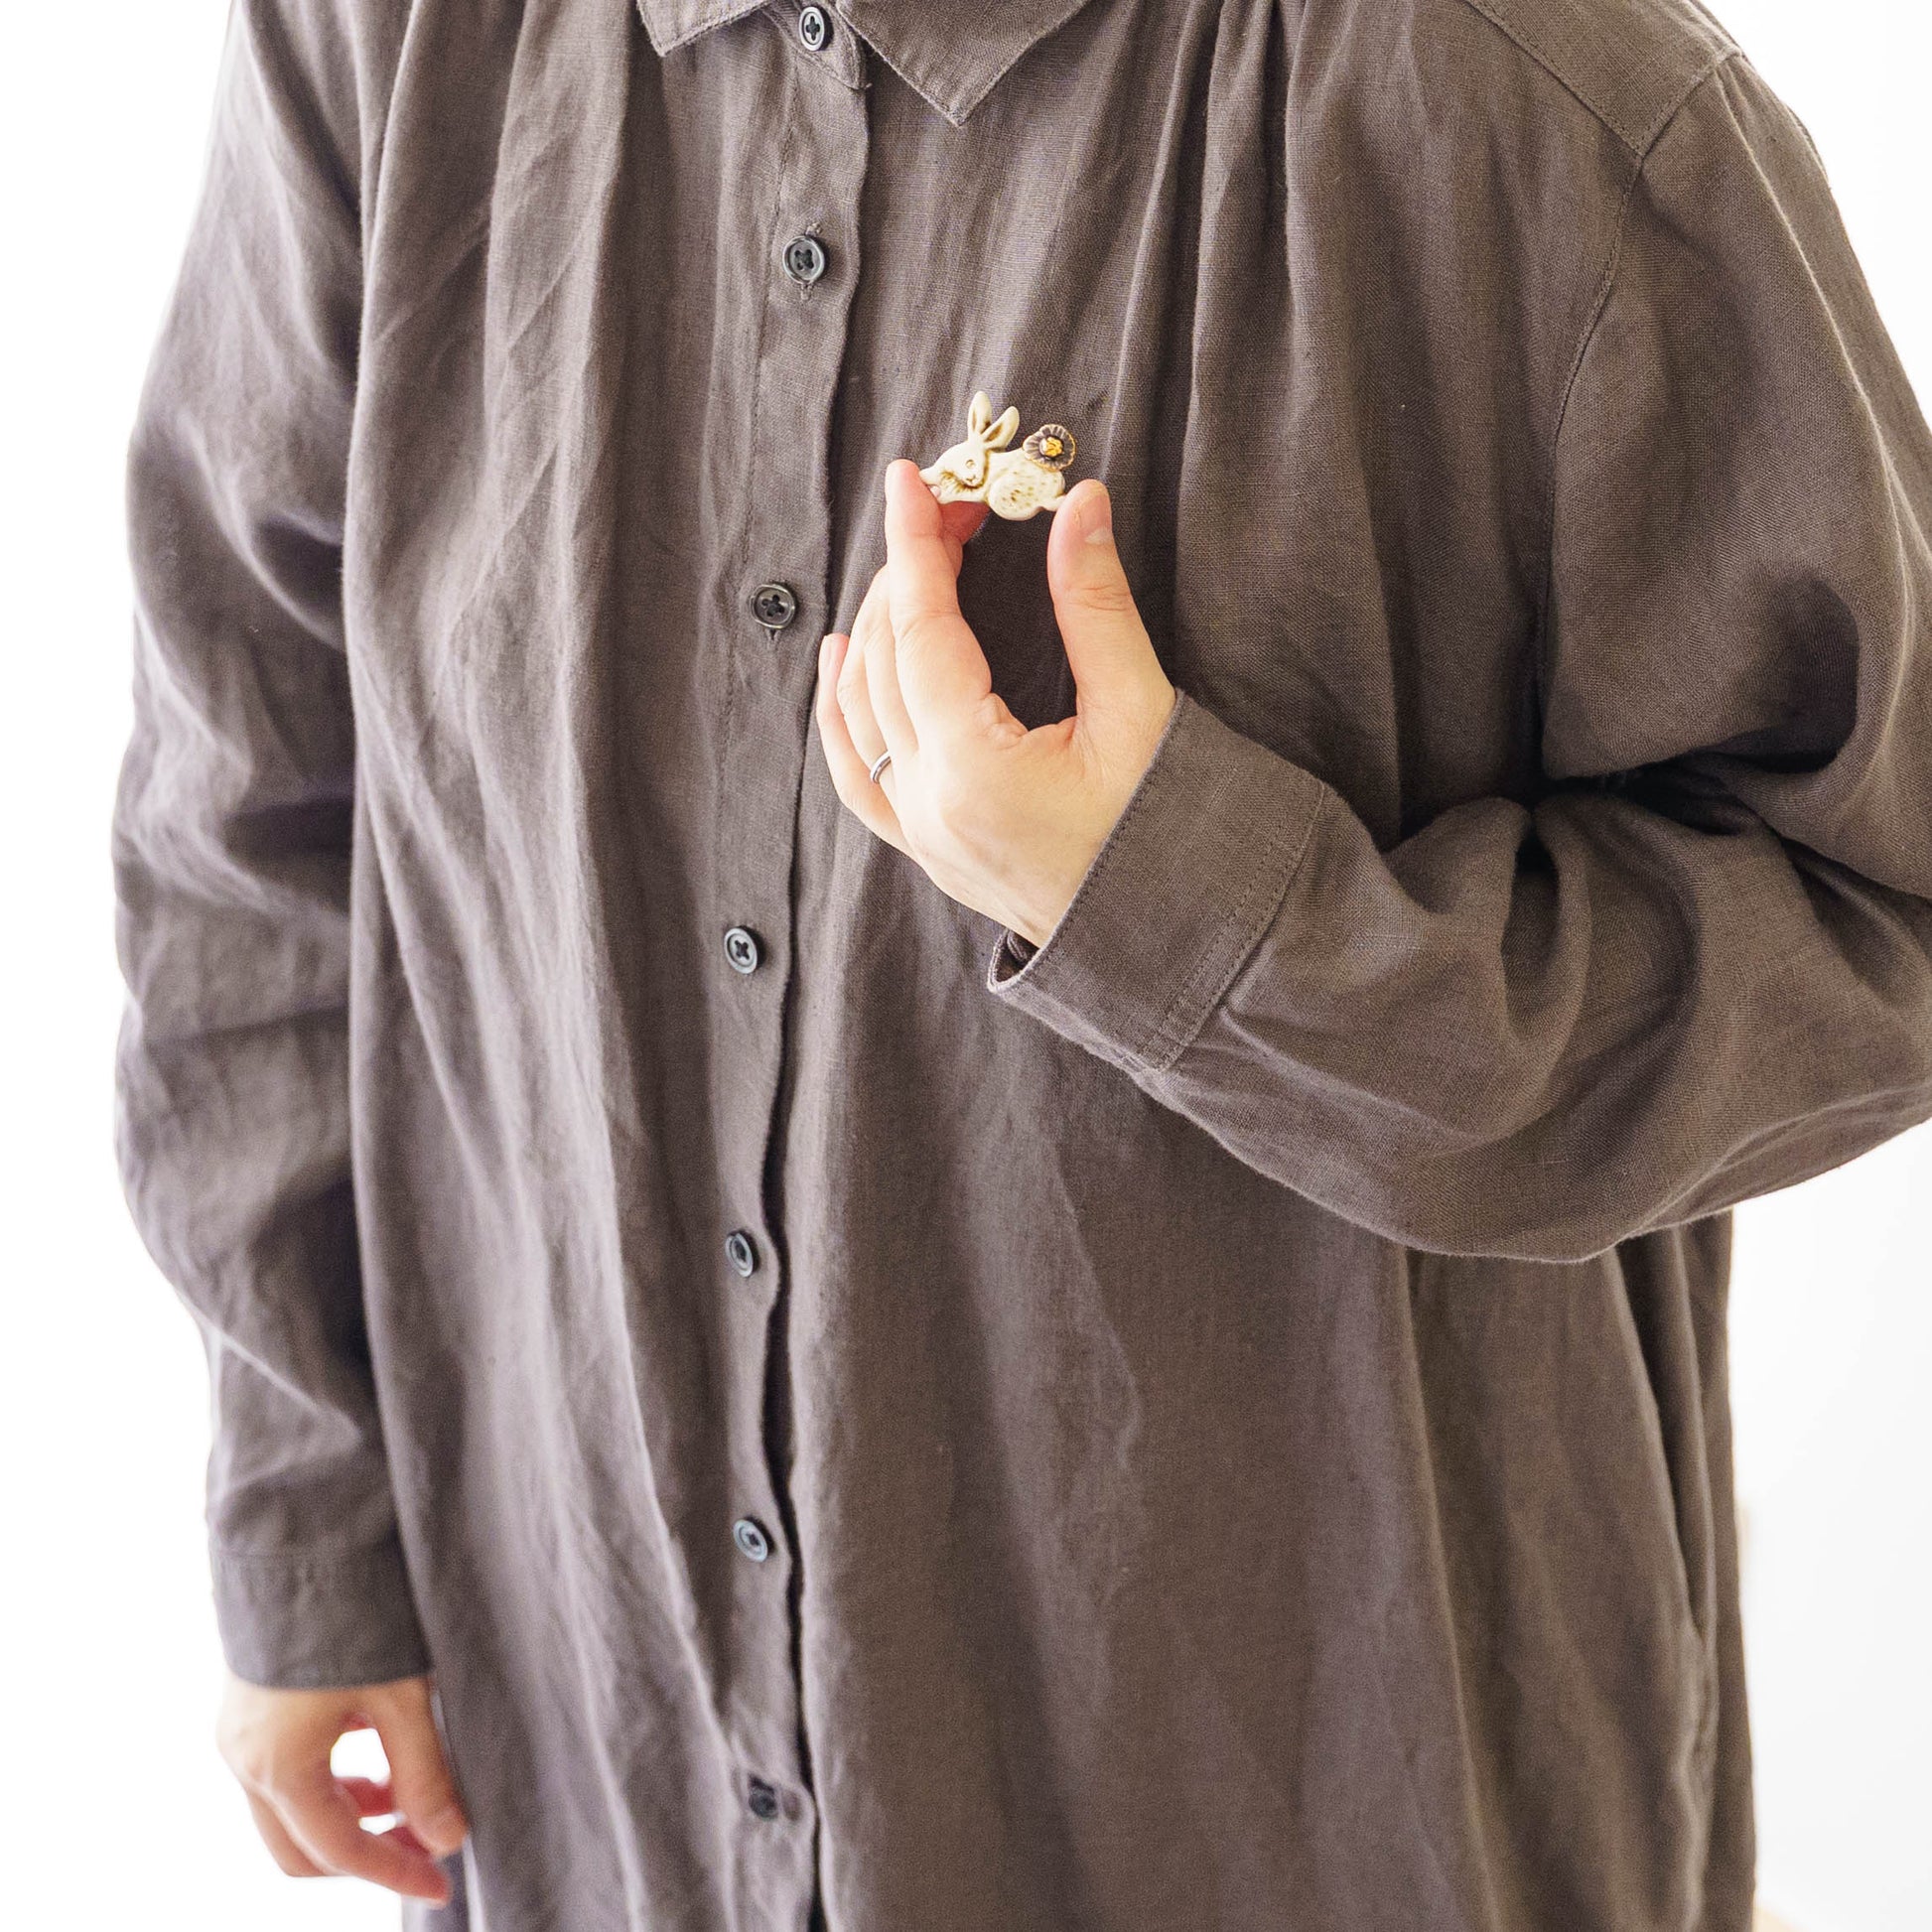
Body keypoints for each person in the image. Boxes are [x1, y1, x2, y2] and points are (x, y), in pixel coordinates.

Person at [110, 0, 1932, 1926]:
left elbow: (1878, 904)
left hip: (1306, 1793)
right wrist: (312, 1513)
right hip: (581, 1736)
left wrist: (1193, 909)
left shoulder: (1519, 85)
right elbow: (250, 756)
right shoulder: (377, 36)